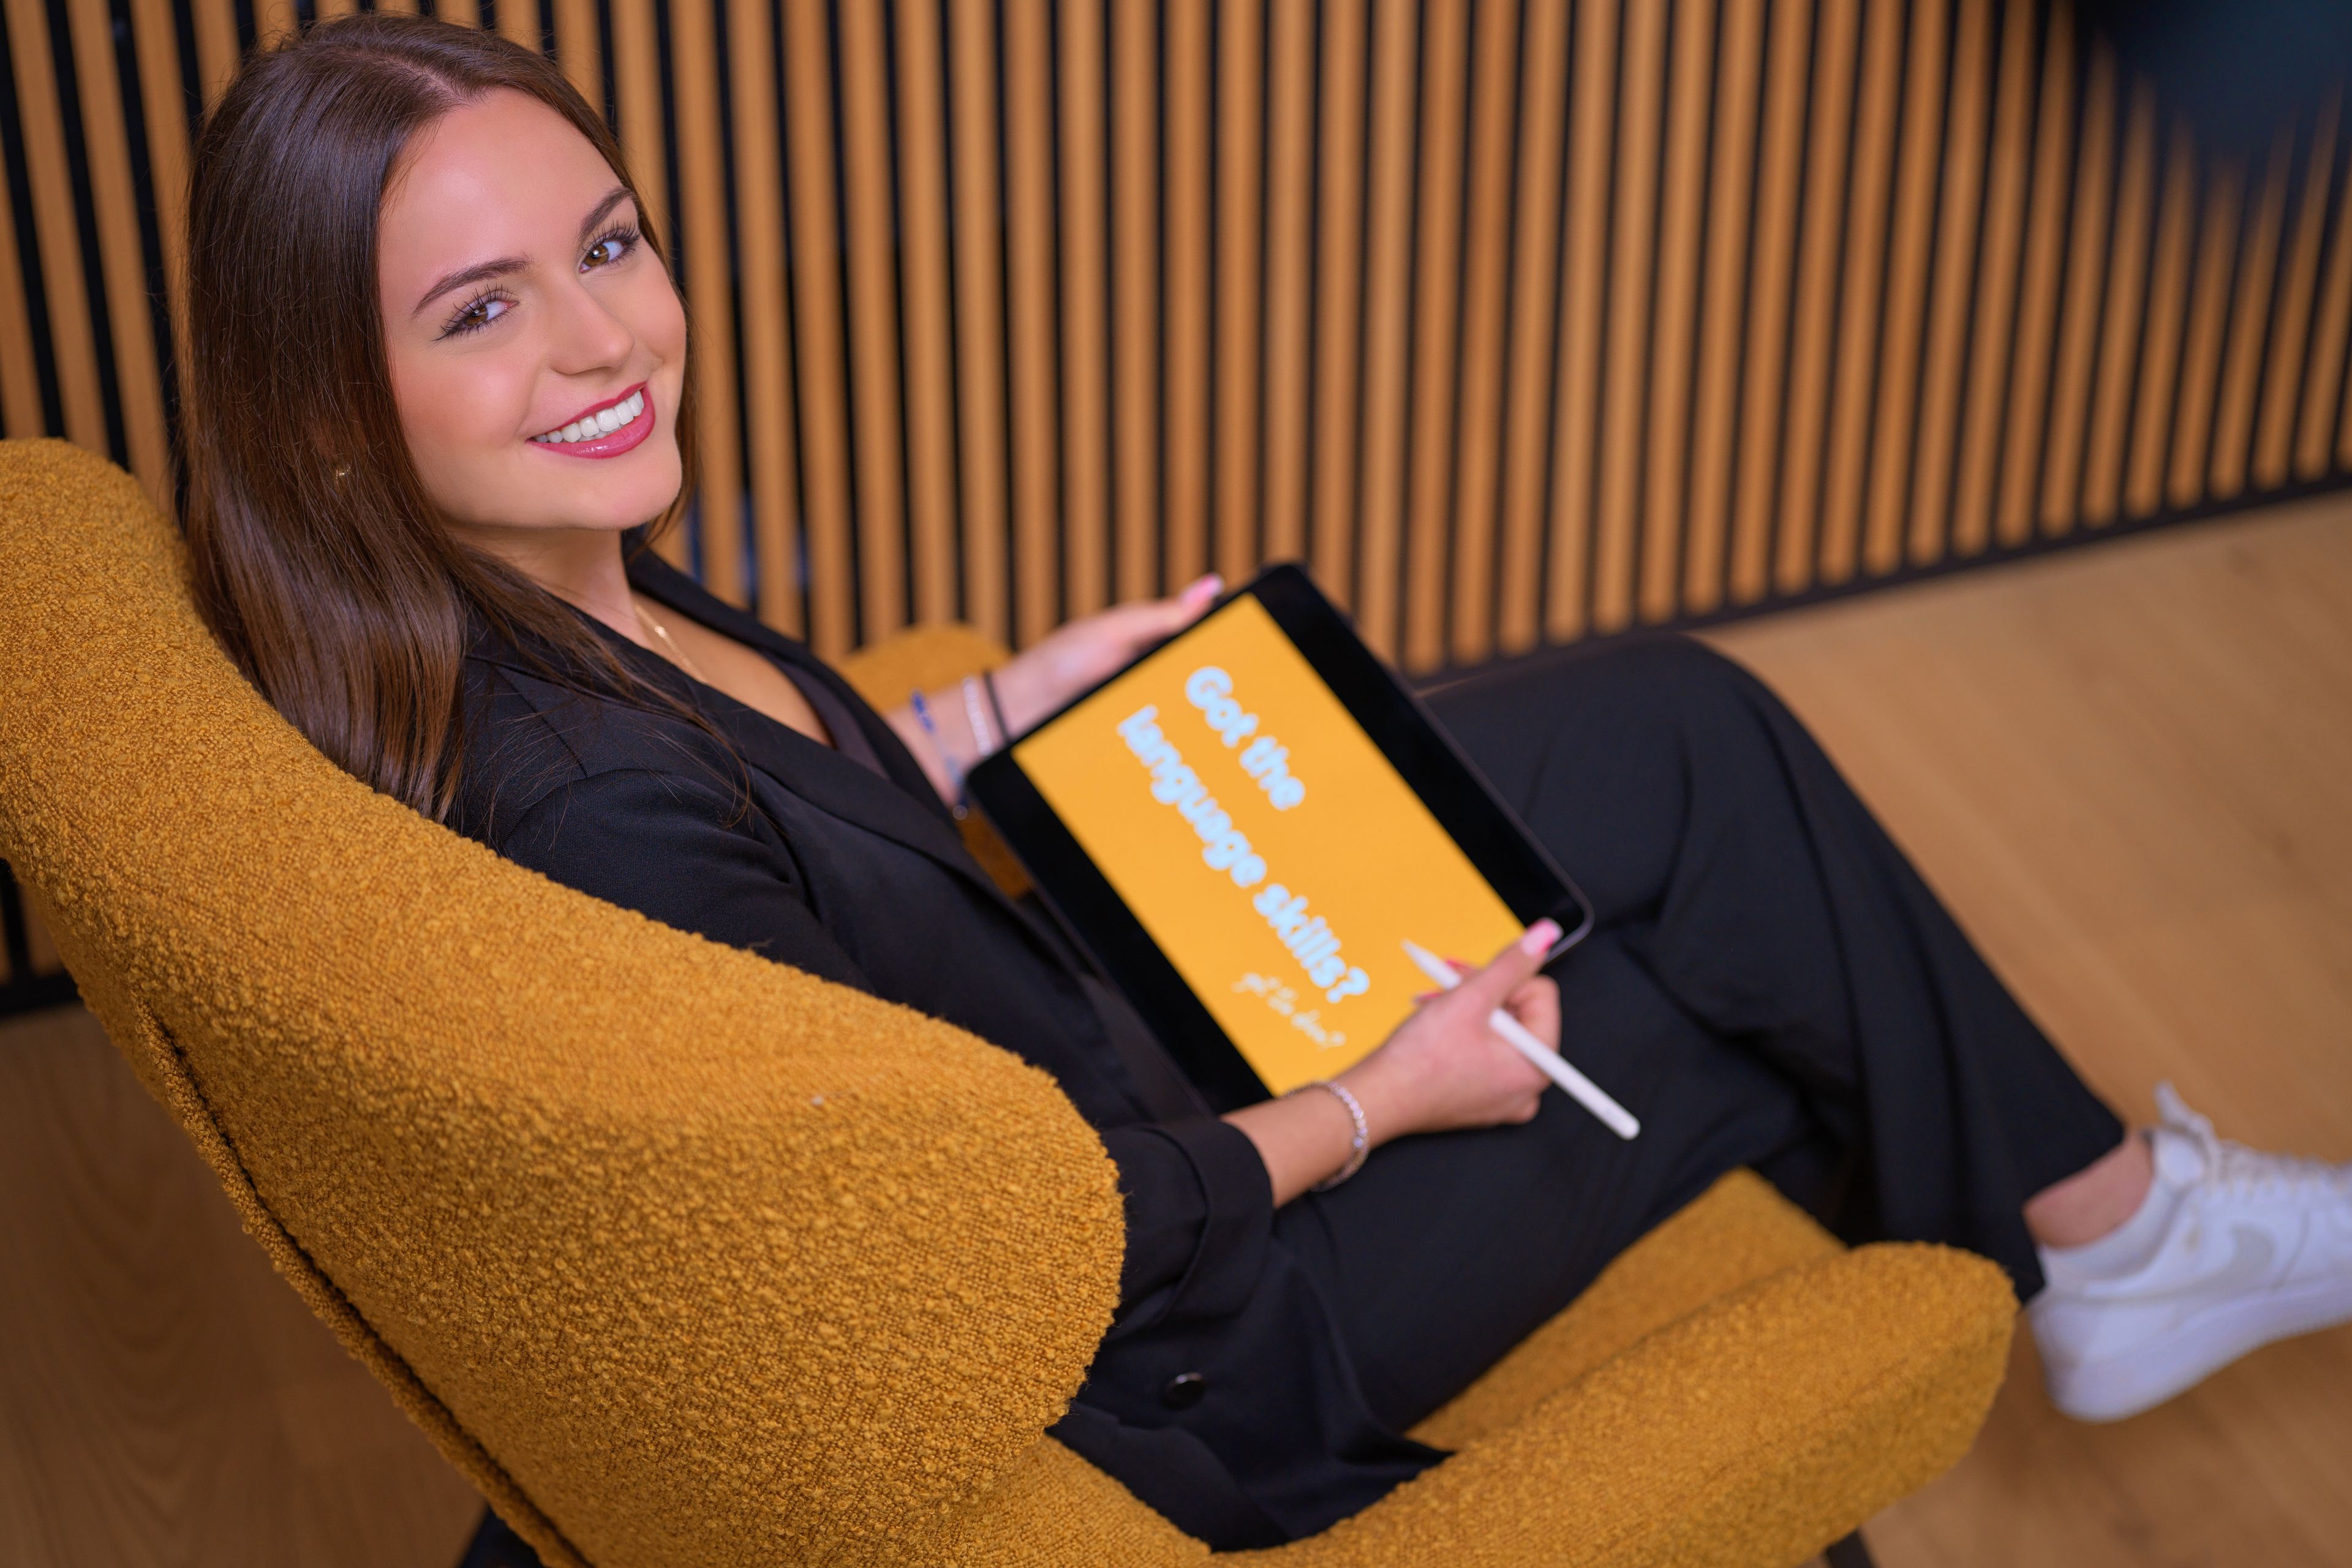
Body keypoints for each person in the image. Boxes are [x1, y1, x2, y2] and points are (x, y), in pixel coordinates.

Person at [180, 15, 2351, 1550]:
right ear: (328, 416)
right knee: (1731, 1016)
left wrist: (994, 713)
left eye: (614, 242)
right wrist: (1378, 1103)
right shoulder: (580, 814)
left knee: (1675, 730)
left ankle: (2112, 1235)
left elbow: (784, 845)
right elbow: (983, 1252)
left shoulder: (553, 604)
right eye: (481, 309)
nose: (604, 339)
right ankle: (2103, 1250)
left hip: (1047, 1018)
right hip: (1170, 1320)